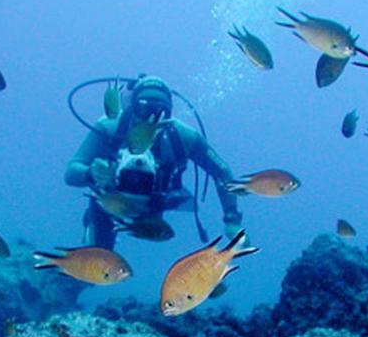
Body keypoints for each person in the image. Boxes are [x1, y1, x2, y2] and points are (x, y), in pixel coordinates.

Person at [65, 75, 243, 249]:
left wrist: (232, 220)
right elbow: (71, 172)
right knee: (99, 265)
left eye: (160, 110)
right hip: (108, 204)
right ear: (132, 107)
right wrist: (90, 173)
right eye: (144, 108)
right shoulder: (110, 127)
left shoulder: (183, 136)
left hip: (154, 207)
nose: (152, 117)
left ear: (170, 112)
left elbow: (222, 172)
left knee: (157, 237)